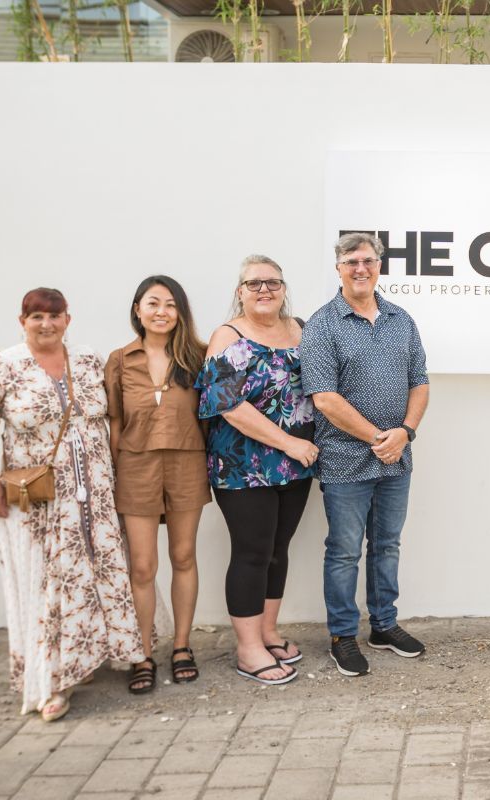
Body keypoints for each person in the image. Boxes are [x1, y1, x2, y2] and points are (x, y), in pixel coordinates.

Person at [0, 288, 143, 721]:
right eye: (36, 316)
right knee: (51, 585)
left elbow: (107, 418)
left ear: (68, 319)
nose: (46, 324)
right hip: (40, 500)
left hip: (95, 494)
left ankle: (91, 657)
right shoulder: (2, 365)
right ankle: (53, 681)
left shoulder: (87, 359)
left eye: (54, 315)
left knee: (96, 573)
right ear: (22, 321)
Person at [301, 232, 430, 677]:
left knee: (387, 545)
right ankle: (342, 635)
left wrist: (405, 433)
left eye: (368, 260)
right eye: (352, 261)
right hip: (344, 461)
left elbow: (420, 382)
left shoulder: (401, 319)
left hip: (397, 458)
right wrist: (381, 438)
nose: (361, 268)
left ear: (379, 266)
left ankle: (384, 626)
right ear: (338, 268)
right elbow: (325, 398)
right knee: (344, 552)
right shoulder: (322, 325)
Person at [196, 255, 319, 686]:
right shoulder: (228, 336)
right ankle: (248, 650)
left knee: (277, 550)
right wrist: (289, 443)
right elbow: (227, 404)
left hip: (297, 465)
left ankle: (267, 633)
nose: (264, 289)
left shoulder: (301, 330)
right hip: (243, 466)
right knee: (251, 553)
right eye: (254, 283)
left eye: (272, 282)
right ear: (240, 292)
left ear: (284, 289)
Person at [105, 276, 210, 693]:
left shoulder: (198, 357)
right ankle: (143, 652)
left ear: (180, 312)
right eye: (153, 303)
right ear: (138, 309)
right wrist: (114, 473)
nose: (162, 312)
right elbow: (115, 423)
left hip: (187, 463)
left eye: (170, 304)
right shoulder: (119, 360)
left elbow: (209, 418)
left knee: (183, 555)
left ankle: (182, 646)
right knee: (142, 566)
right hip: (136, 467)